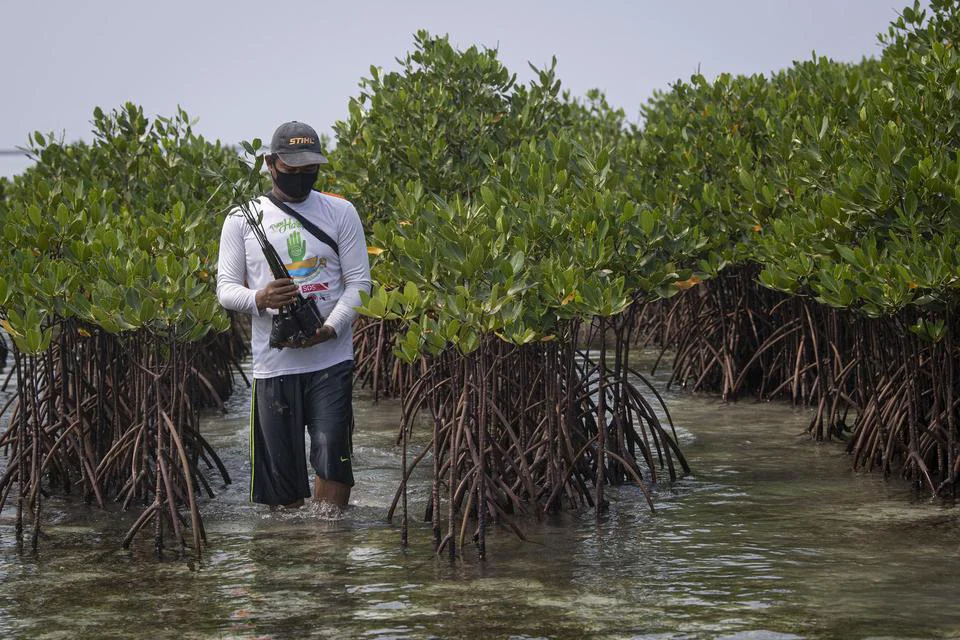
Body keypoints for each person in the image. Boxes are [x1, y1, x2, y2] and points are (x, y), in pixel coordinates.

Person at [216, 121, 371, 510]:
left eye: (310, 171)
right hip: (274, 366)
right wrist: (262, 298)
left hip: (331, 359)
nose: (302, 178)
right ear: (271, 164)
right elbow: (225, 289)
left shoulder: (341, 211)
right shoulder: (241, 218)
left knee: (332, 457)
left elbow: (359, 284)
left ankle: (328, 550)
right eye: (292, 170)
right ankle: (291, 560)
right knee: (280, 486)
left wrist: (329, 328)